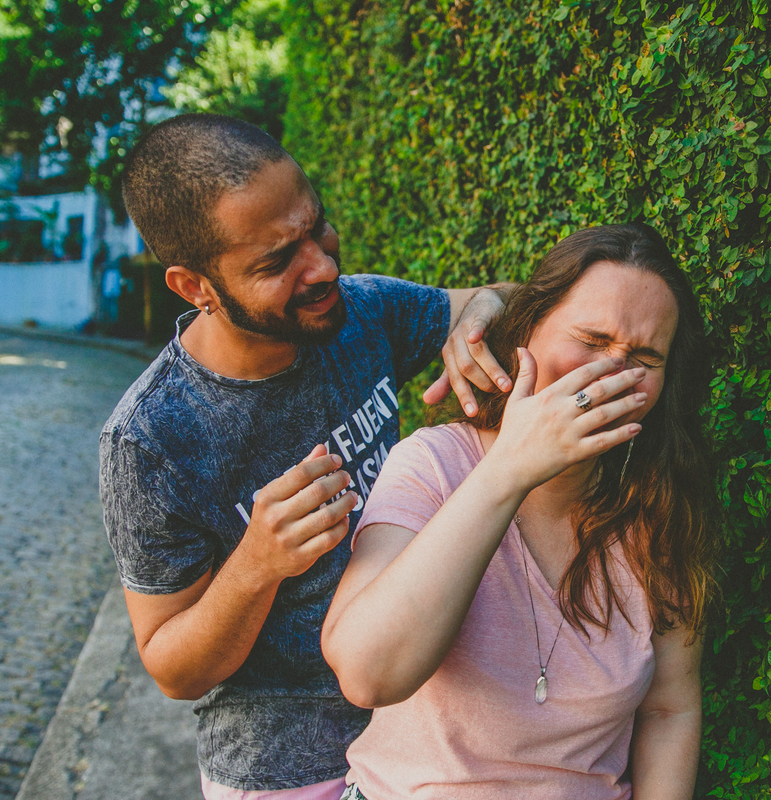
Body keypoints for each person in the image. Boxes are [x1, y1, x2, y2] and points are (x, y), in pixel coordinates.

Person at [98, 113, 512, 800]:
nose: (322, 267)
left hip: (426, 731)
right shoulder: (151, 439)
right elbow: (172, 667)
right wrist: (256, 565)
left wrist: (483, 310)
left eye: (315, 227)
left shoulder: (363, 312)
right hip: (289, 770)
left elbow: (505, 302)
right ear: (194, 287)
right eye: (276, 262)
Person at [322, 223, 718, 800]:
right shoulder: (433, 465)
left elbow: (668, 710)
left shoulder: (656, 506)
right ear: (528, 329)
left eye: (644, 357)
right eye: (591, 339)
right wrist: (509, 470)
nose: (609, 372)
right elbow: (367, 674)